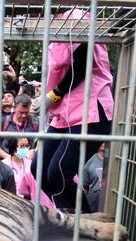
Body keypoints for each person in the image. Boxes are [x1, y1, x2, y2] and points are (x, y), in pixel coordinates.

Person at [31, 8, 114, 212]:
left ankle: (84, 224)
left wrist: (53, 95)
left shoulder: (75, 18)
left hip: (91, 111)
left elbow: (83, 62)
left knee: (58, 172)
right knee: (38, 169)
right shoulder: (55, 23)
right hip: (65, 114)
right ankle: (68, 219)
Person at [2, 138, 54, 208]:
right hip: (9, 202)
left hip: (29, 204)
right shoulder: (4, 164)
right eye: (22, 146)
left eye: (27, 146)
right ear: (13, 147)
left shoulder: (31, 164)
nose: (25, 149)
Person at [1, 94, 39, 159]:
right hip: (8, 162)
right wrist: (9, 158)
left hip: (28, 162)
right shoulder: (3, 122)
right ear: (14, 107)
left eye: (26, 112)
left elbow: (39, 143)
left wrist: (34, 151)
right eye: (21, 112)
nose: (24, 115)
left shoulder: (35, 123)